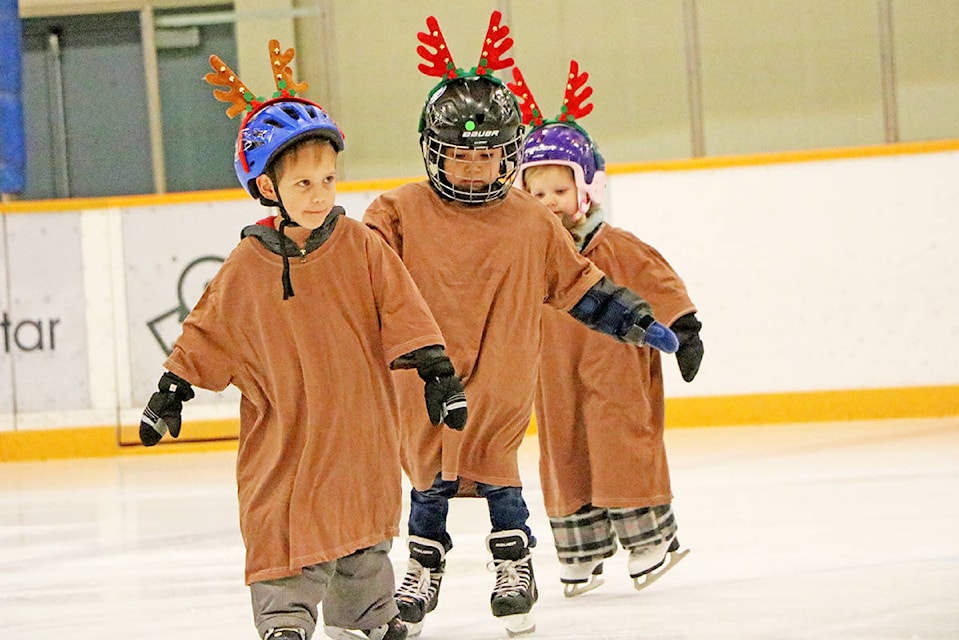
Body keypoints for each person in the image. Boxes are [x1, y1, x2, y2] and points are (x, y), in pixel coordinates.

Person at [138, 40, 468, 640]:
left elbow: (404, 308)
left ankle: (370, 619)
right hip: (286, 433)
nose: (320, 194)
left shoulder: (362, 247)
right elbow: (206, 331)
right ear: (267, 189)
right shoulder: (245, 265)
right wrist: (171, 392)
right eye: (304, 183)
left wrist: (438, 374)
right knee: (283, 525)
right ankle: (285, 622)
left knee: (363, 530)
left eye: (328, 179)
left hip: (358, 428)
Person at [362, 14, 679, 638]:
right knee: (429, 480)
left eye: (487, 154)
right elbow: (359, 277)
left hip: (501, 380)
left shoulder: (531, 221)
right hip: (424, 380)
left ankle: (515, 563)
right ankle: (423, 566)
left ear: (508, 153)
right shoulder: (396, 212)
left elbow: (579, 286)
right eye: (461, 154)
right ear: (435, 151)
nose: (476, 167)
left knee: (497, 469)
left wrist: (638, 320)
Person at [512, 60, 704, 597]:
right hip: (553, 378)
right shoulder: (526, 258)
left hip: (617, 370)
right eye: (537, 192)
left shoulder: (614, 246)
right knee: (565, 454)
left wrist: (684, 328)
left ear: (584, 191)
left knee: (624, 445)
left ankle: (647, 544)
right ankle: (579, 554)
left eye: (559, 190)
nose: (549, 203)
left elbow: (659, 283)